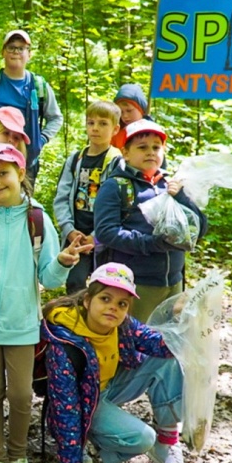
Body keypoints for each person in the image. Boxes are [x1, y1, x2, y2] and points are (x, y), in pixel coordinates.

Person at [0, 144, 85, 463]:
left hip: (21, 322)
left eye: (3, 173)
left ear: (20, 174)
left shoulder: (37, 219)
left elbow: (48, 277)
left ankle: (18, 457)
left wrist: (63, 260)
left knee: (19, 393)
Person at [42, 263, 190, 463]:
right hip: (81, 404)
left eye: (121, 304)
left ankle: (167, 442)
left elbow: (160, 344)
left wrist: (186, 319)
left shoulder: (122, 325)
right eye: (105, 299)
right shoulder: (65, 343)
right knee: (142, 439)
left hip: (108, 387)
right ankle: (93, 439)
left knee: (166, 360)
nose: (113, 308)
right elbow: (66, 407)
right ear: (88, 300)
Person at [93, 120, 206, 321]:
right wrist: (151, 243)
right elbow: (106, 231)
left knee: (166, 344)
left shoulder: (172, 183)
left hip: (174, 282)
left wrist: (180, 197)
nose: (151, 152)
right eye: (142, 147)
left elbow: (199, 228)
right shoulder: (116, 186)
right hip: (136, 283)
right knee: (136, 343)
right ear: (125, 153)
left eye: (156, 147)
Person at [53, 100, 123, 292]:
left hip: (103, 237)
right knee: (75, 283)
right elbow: (61, 196)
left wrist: (96, 237)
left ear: (115, 129)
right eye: (90, 122)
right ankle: (75, 319)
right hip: (76, 236)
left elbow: (120, 204)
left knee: (104, 286)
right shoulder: (76, 159)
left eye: (102, 123)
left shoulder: (117, 162)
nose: (95, 128)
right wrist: (68, 229)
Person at [0, 30, 62, 182]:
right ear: (3, 52)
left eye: (21, 48)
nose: (16, 52)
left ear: (29, 54)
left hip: (26, 161)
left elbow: (55, 118)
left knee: (23, 203)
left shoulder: (39, 86)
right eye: (11, 47)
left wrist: (42, 139)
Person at [108, 83, 153, 151]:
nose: (125, 116)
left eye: (129, 111)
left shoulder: (153, 132)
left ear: (141, 110)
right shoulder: (116, 134)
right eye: (121, 112)